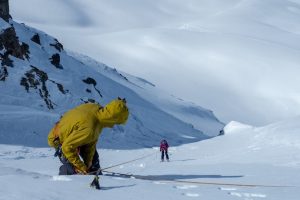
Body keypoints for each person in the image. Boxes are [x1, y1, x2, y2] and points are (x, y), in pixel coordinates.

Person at [48, 97, 129, 175]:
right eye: (116, 122)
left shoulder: (98, 112)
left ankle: (95, 174)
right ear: (112, 119)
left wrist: (88, 163)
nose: (113, 125)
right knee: (73, 169)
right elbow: (67, 147)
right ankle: (64, 182)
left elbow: (90, 142)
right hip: (60, 140)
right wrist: (81, 167)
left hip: (74, 134)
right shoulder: (90, 128)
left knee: (93, 161)